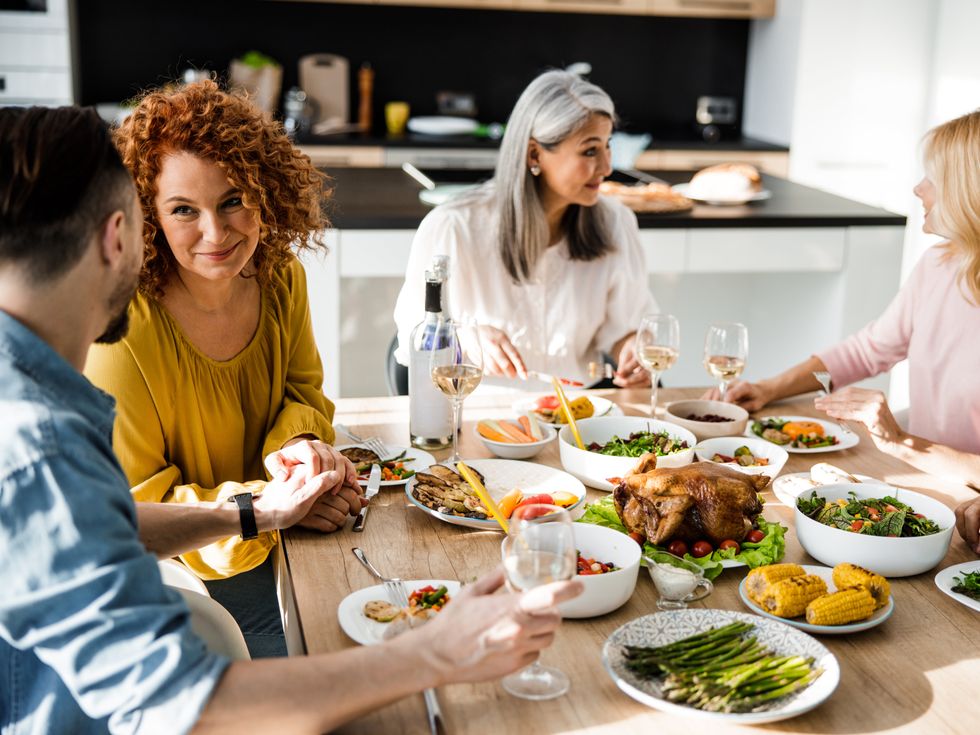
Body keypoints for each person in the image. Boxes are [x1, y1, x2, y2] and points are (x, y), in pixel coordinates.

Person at [0, 104, 581, 735]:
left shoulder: (29, 408)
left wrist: (257, 510)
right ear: (123, 234)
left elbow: (104, 527)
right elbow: (188, 706)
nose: (208, 235)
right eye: (169, 214)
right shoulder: (40, 444)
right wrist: (438, 652)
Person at [83, 80, 361, 657]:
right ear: (147, 216)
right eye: (184, 210)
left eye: (234, 199)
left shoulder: (281, 275)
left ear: (266, 191)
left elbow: (302, 391)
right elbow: (139, 508)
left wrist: (301, 455)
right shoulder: (121, 329)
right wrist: (271, 508)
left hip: (277, 529)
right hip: (187, 582)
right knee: (347, 636)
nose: (217, 233)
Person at [707, 109, 980, 503]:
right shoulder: (940, 263)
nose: (919, 189)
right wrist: (768, 388)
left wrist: (901, 443)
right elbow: (867, 350)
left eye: (934, 179)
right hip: (923, 479)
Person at [393, 70, 657, 389]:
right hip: (483, 418)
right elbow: (413, 337)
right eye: (589, 150)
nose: (606, 167)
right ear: (535, 154)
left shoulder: (616, 222)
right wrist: (465, 338)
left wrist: (633, 350)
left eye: (607, 146)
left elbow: (626, 327)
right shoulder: (453, 227)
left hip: (579, 418)